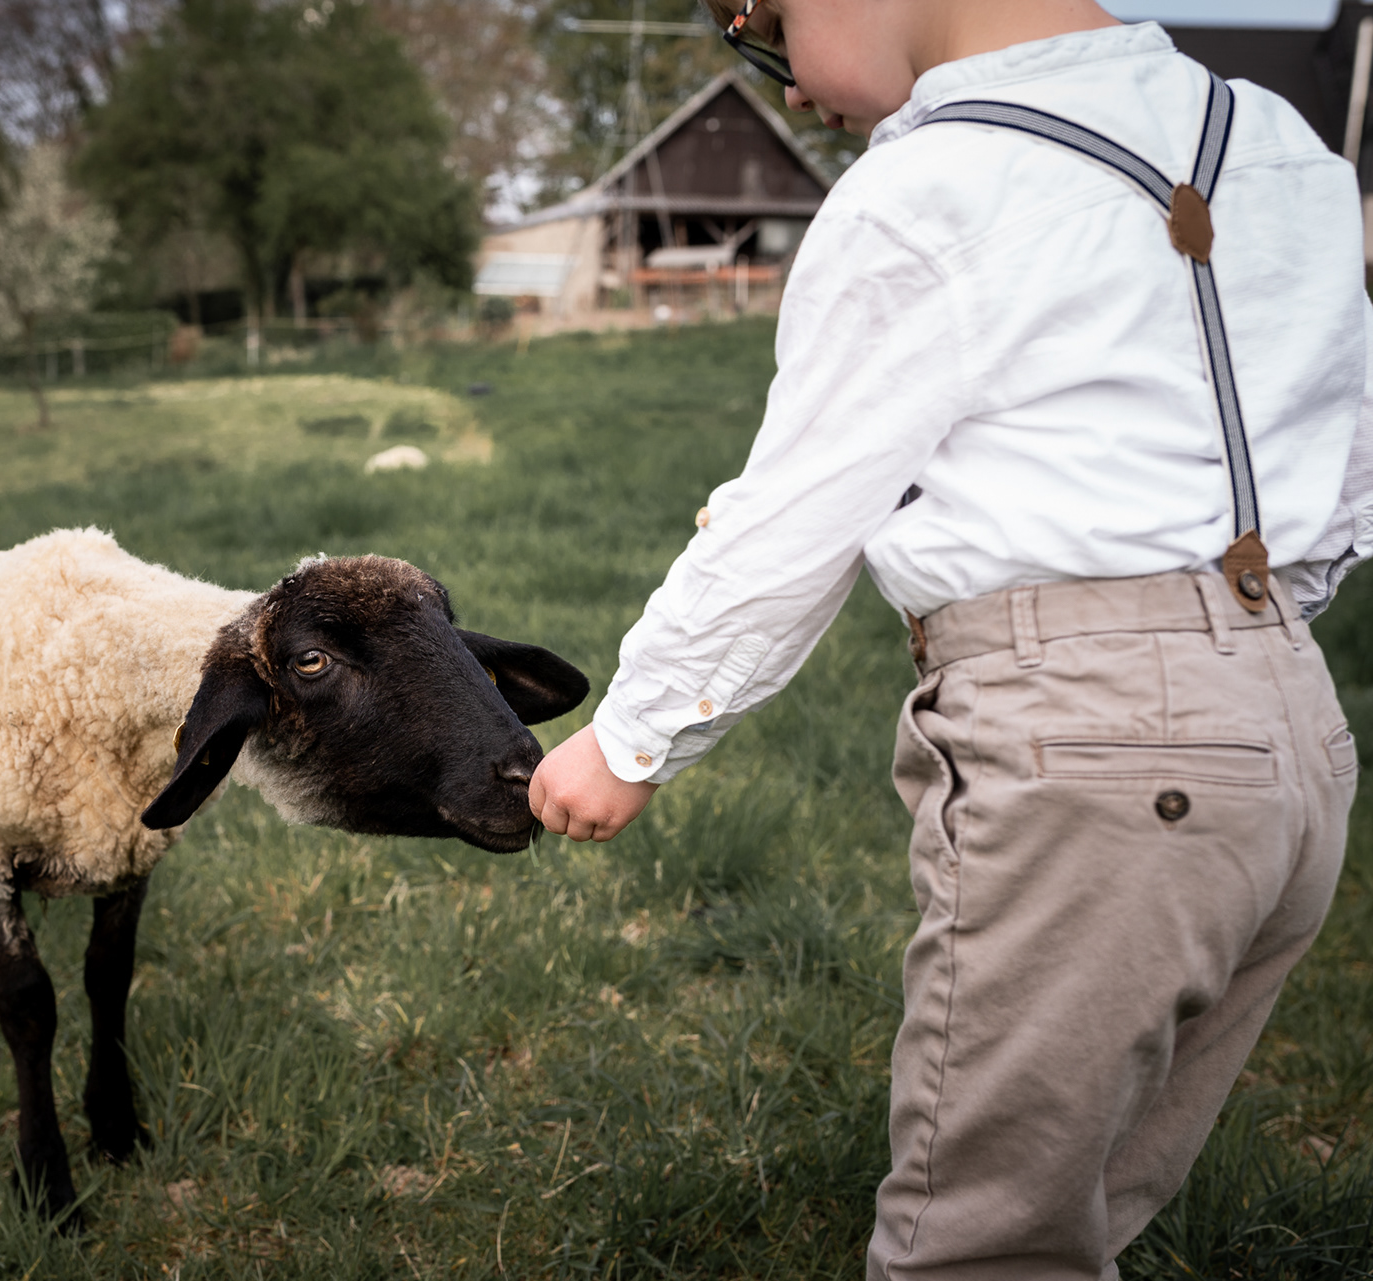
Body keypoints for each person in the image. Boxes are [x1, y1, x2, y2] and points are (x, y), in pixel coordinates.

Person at [527, 0, 1369, 1276]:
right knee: (1100, 1191)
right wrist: (1239, 663)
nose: (791, 90)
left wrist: (632, 738)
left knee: (982, 1241)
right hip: (1298, 740)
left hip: (1089, 761)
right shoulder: (1284, 146)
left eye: (761, 25)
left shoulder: (926, 190)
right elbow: (1338, 464)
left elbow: (797, 515)